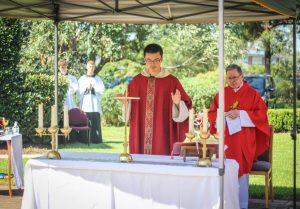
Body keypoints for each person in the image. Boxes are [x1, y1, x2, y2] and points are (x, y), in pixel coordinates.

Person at [208, 64, 270, 209]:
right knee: (225, 170)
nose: (233, 81)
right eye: (229, 78)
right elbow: (212, 113)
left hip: (244, 140)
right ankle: (224, 204)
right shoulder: (221, 94)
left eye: (235, 77)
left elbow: (261, 114)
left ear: (242, 76)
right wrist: (221, 117)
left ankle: (241, 206)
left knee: (240, 172)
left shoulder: (252, 93)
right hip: (227, 140)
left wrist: (241, 114)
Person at [118, 43, 192, 155]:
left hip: (163, 133)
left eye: (156, 60)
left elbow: (186, 107)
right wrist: (126, 103)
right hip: (140, 132)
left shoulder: (172, 81)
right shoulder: (136, 81)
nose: (152, 64)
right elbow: (129, 106)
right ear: (144, 60)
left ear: (161, 59)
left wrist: (177, 104)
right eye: (149, 60)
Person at [78, 60, 105, 143]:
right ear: (87, 67)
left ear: (94, 68)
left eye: (93, 67)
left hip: (94, 103)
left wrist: (93, 89)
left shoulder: (98, 79)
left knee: (95, 121)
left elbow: (101, 90)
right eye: (90, 66)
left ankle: (96, 139)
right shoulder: (82, 79)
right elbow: (78, 91)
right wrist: (86, 88)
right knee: (85, 121)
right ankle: (84, 139)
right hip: (85, 102)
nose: (91, 68)